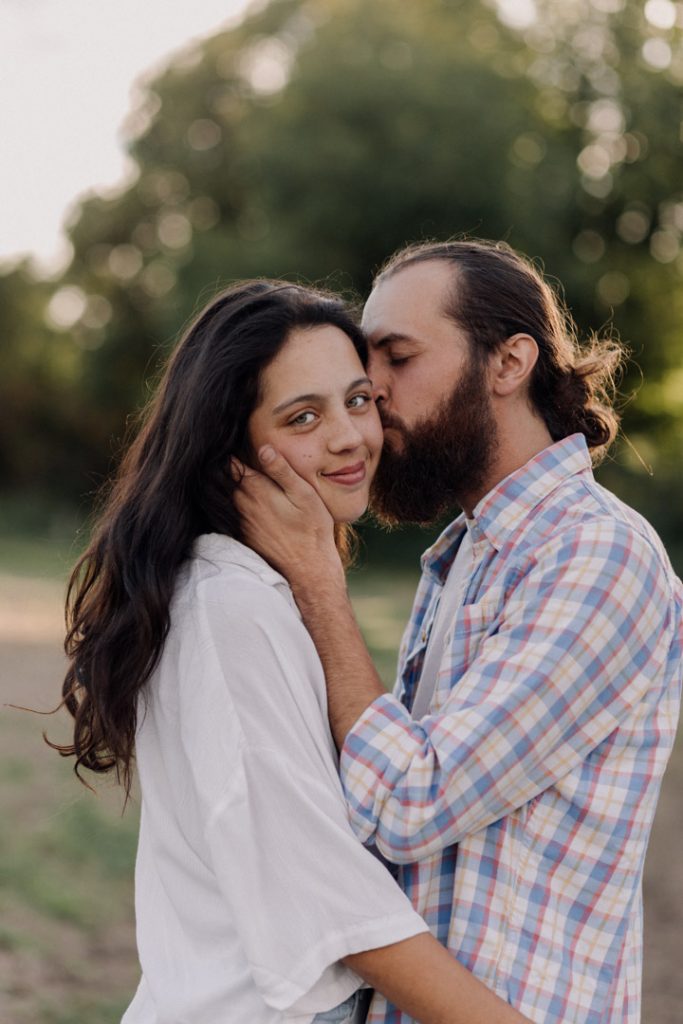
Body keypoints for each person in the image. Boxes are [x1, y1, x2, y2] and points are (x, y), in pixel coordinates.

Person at [53, 279, 533, 1024]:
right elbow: (331, 900)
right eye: (303, 416)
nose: (349, 436)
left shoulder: (261, 592)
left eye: (357, 400)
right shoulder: (227, 606)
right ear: (231, 447)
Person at [234, 241, 683, 1024]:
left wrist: (317, 582)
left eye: (397, 357)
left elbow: (412, 798)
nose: (370, 387)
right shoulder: (471, 553)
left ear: (508, 363)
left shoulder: (597, 555)